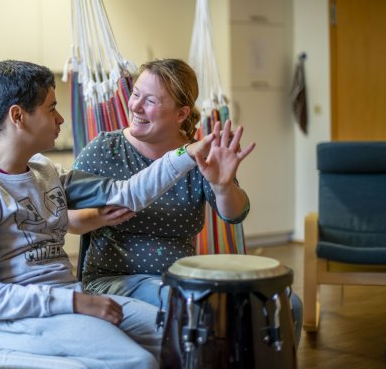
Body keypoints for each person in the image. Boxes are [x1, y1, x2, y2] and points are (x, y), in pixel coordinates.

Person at [0, 60, 246, 369]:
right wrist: (76, 301)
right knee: (139, 363)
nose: (61, 119)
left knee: (193, 336)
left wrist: (189, 153)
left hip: (67, 304)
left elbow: (126, 193)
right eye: (51, 109)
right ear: (18, 116)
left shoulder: (46, 173)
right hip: (20, 320)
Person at [69, 58, 303, 346]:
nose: (136, 106)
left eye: (150, 100)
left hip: (184, 279)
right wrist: (100, 217)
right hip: (116, 279)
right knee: (195, 307)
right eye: (135, 94)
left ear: (181, 114)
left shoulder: (196, 154)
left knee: (287, 304)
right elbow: (66, 219)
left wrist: (223, 185)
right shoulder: (105, 150)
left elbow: (235, 215)